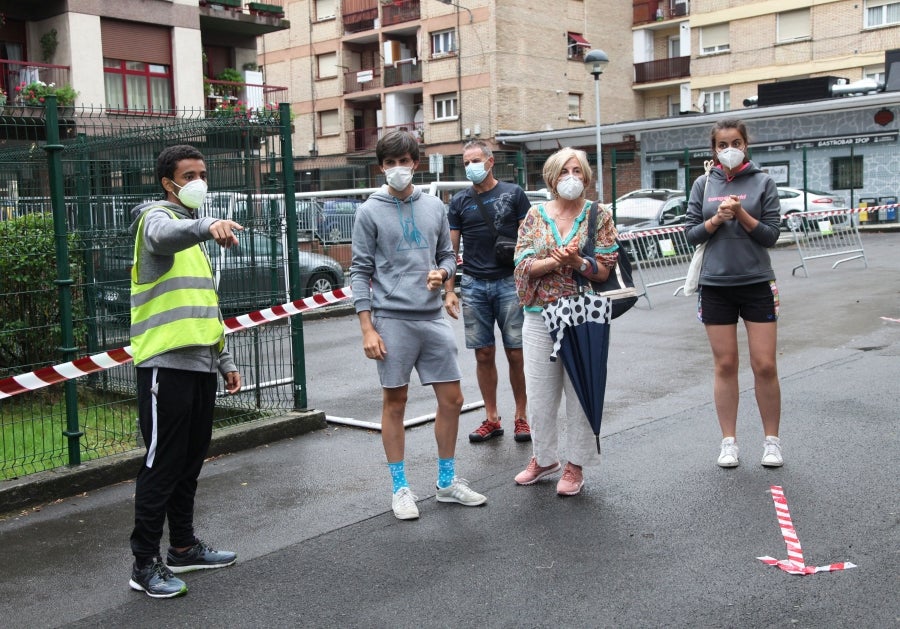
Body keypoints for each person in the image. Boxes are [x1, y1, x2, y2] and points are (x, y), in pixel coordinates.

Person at [350, 130, 487, 520]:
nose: (397, 169)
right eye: (390, 163)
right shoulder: (369, 211)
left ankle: (446, 483)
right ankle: (400, 489)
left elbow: (447, 254)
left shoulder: (434, 207)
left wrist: (444, 279)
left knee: (453, 400)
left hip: (431, 317)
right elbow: (359, 271)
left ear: (415, 163)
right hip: (391, 319)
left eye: (404, 162)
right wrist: (367, 327)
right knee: (396, 403)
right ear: (382, 167)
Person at [127, 144, 243, 598]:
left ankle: (183, 547)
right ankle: (143, 564)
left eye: (202, 173)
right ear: (167, 183)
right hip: (164, 365)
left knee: (189, 461)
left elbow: (203, 306)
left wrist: (225, 360)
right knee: (162, 463)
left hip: (200, 365)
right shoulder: (155, 218)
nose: (198, 181)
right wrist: (206, 225)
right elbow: (160, 236)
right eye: (188, 174)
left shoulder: (195, 237)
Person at [512, 147, 619, 496]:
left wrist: (578, 263)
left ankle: (576, 465)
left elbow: (604, 269)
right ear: (551, 178)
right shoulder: (534, 215)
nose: (570, 177)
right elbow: (521, 264)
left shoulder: (597, 215)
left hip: (583, 315)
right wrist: (555, 262)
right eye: (563, 172)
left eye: (576, 171)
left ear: (586, 177)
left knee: (580, 389)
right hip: (539, 315)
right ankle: (544, 459)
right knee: (540, 394)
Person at [684, 119, 784, 469]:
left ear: (746, 145)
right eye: (723, 144)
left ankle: (771, 442)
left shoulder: (762, 182)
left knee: (765, 364)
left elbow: (771, 235)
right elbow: (691, 233)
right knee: (725, 364)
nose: (729, 149)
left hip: (756, 283)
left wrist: (741, 214)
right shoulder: (702, 183)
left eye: (736, 142)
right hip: (716, 286)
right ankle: (729, 442)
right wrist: (714, 221)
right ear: (714, 149)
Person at [443, 140, 531, 444]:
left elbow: (529, 241)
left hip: (509, 283)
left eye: (476, 160)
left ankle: (522, 417)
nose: (470, 167)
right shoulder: (459, 201)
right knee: (483, 353)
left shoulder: (514, 194)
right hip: (474, 285)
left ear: (491, 162)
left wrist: (528, 281)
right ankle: (492, 418)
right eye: (466, 162)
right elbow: (450, 250)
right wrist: (449, 290)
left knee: (516, 353)